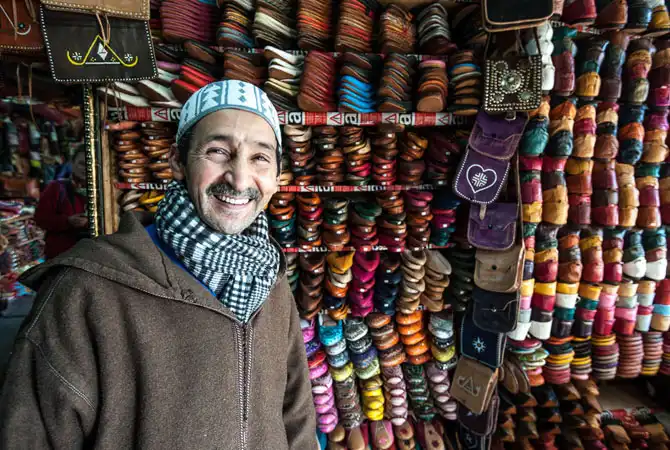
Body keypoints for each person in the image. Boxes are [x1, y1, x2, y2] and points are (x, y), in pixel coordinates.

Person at [0, 80, 318, 449]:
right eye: (217, 151)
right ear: (177, 162)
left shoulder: (269, 280)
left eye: (260, 158)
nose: (239, 179)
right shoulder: (85, 290)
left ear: (277, 176)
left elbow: (295, 416)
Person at [33, 145, 88, 259]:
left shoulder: (101, 192)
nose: (86, 168)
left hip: (87, 256)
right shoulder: (56, 187)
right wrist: (67, 221)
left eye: (89, 165)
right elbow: (40, 219)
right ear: (72, 163)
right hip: (60, 257)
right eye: (82, 164)